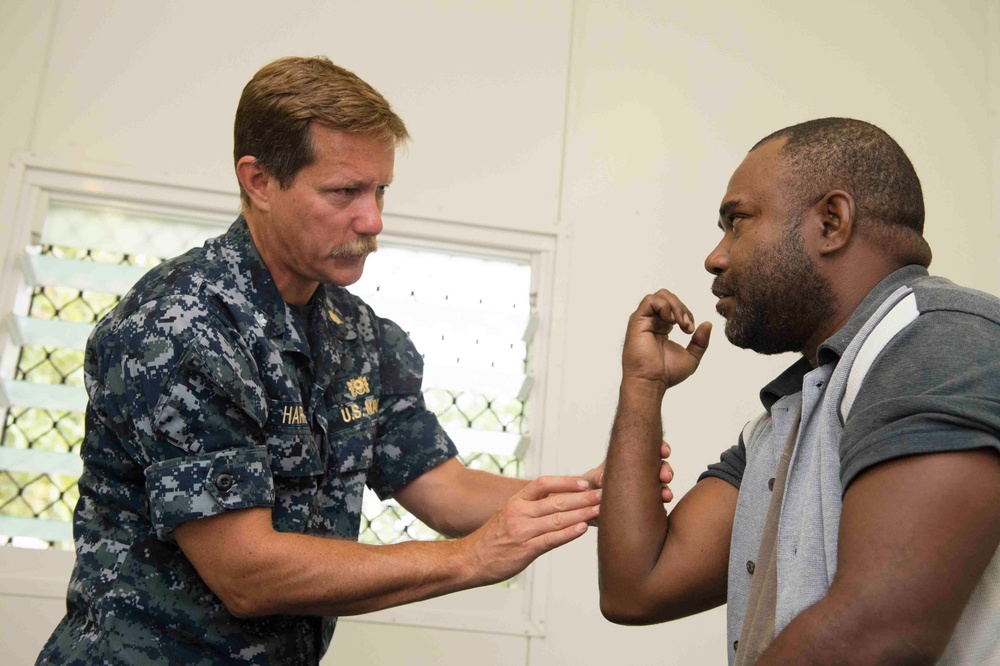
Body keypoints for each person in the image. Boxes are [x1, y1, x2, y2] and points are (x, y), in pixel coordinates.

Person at [36, 55, 632, 665]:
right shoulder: (180, 326)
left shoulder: (360, 335)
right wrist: (472, 558)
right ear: (260, 182)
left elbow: (444, 487)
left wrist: (587, 496)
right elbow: (246, 574)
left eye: (380, 191)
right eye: (344, 192)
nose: (373, 219)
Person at [597, 118, 1000, 665]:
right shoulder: (795, 407)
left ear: (831, 222)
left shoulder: (935, 338)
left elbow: (877, 632)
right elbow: (636, 586)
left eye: (736, 222)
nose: (715, 257)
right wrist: (642, 386)